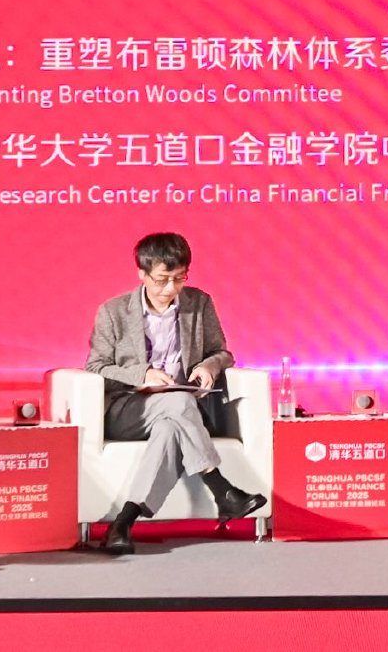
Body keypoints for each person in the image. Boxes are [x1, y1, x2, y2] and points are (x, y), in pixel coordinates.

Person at [85, 232, 266, 555]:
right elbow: (96, 367)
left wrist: (208, 367)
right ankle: (220, 487)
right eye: (162, 280)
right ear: (142, 274)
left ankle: (123, 523)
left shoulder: (199, 304)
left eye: (179, 278)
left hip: (182, 411)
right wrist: (142, 375)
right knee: (178, 402)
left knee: (170, 426)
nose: (170, 289)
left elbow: (222, 353)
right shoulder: (113, 312)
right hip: (129, 409)